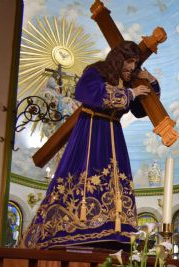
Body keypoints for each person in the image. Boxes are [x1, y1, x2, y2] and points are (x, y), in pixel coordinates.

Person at [22, 41, 159, 249]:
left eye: (135, 63)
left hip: (114, 134)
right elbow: (88, 93)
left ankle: (113, 224)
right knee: (86, 173)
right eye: (129, 61)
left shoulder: (128, 80)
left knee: (114, 180)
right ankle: (81, 224)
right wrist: (130, 94)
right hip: (92, 130)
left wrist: (151, 81)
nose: (132, 67)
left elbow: (141, 110)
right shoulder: (97, 70)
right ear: (118, 58)